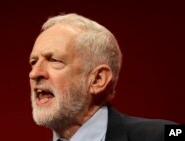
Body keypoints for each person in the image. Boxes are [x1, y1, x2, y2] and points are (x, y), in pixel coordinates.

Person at [28, 13, 175, 141]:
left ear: (98, 80)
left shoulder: (163, 134)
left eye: (54, 60)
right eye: (33, 62)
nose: (34, 73)